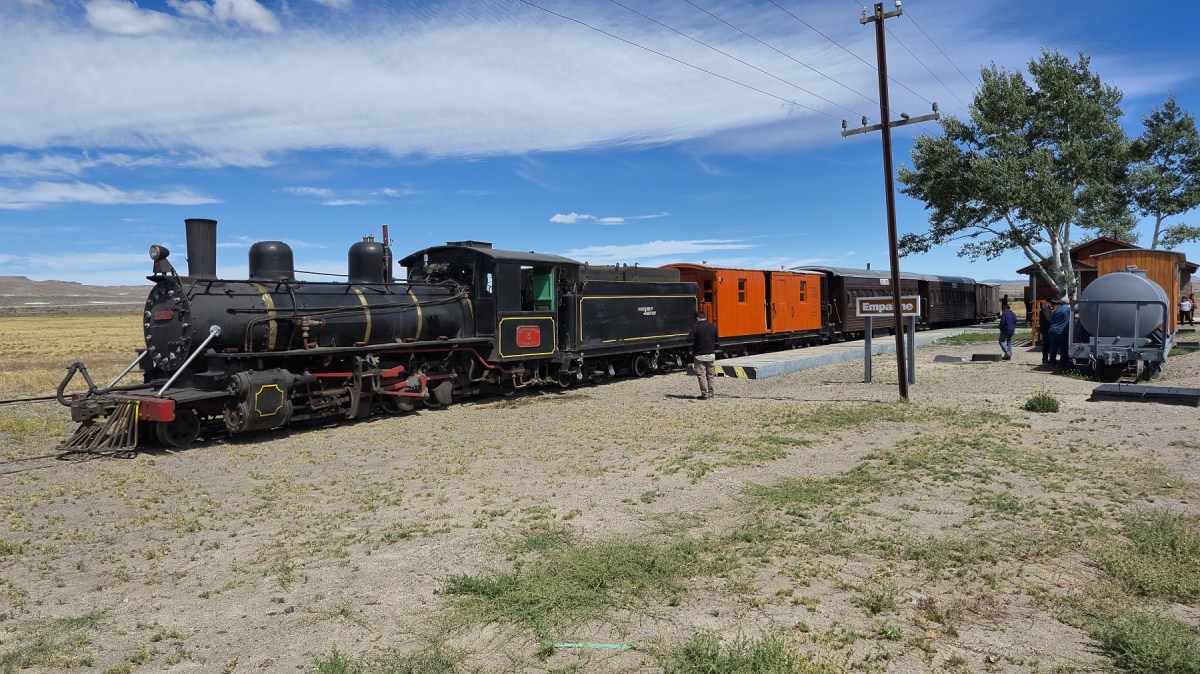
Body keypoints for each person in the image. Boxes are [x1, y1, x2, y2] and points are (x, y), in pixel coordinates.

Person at [687, 310, 719, 400]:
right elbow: (717, 339)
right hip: (710, 354)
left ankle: (705, 395)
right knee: (710, 375)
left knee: (702, 375)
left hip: (699, 355)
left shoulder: (695, 327)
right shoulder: (712, 326)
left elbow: (689, 339)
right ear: (705, 317)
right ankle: (711, 394)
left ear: (697, 318)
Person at [1047, 296, 1072, 368]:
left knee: (1053, 347)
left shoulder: (1057, 309)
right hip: (1061, 331)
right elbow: (1077, 310)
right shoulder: (1068, 309)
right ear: (1068, 302)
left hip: (1052, 330)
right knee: (1063, 347)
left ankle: (1052, 361)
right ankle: (1063, 363)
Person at [1038, 299, 1054, 363]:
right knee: (1047, 344)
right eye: (1052, 304)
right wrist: (1053, 324)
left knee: (1047, 344)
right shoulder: (1045, 309)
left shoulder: (1047, 309)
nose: (1053, 306)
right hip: (1046, 329)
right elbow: (1047, 319)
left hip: (1046, 329)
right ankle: (1045, 359)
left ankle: (1046, 358)